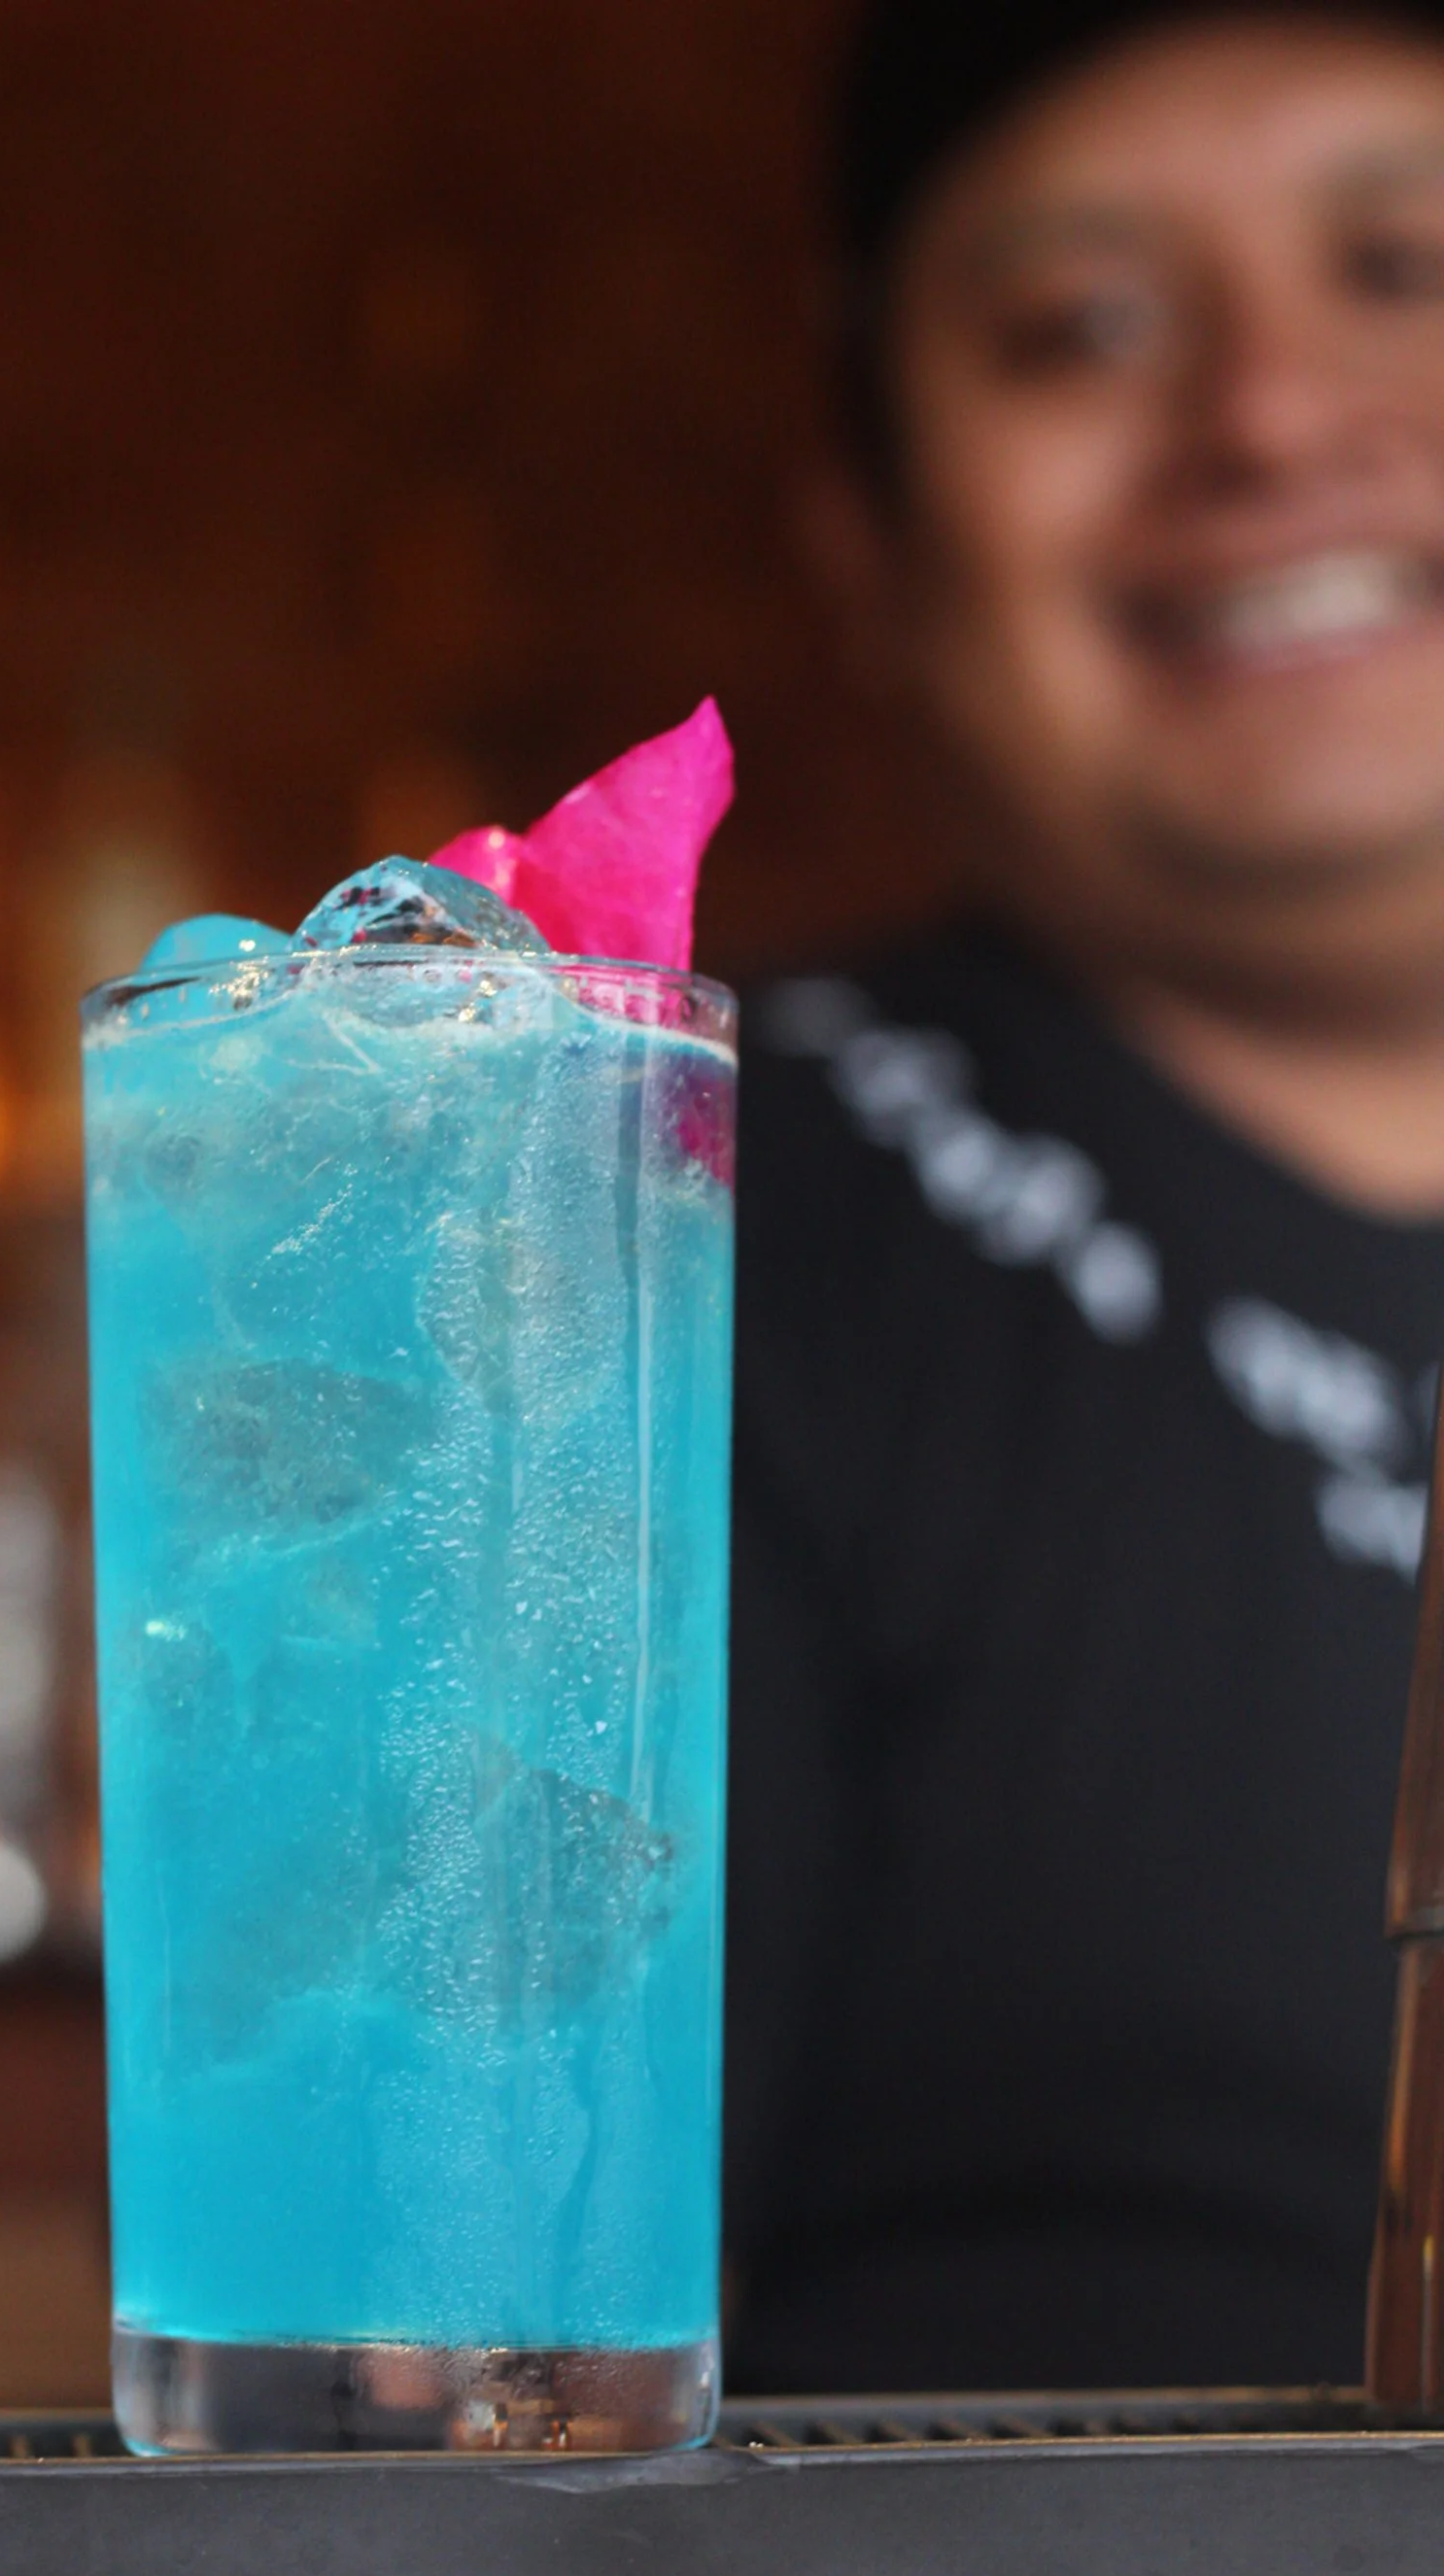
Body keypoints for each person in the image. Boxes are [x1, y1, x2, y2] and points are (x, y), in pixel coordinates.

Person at [726, 0, 1444, 2392]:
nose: (1261, 412)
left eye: (1406, 264)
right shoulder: (642, 1235)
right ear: (877, 540)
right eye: (1086, 328)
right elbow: (452, 2447)